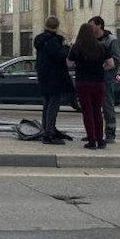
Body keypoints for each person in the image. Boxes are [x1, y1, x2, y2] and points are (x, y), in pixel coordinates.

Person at [34, 16, 74, 145]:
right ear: (57, 26)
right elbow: (59, 56)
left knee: (47, 103)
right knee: (53, 104)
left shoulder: (40, 40)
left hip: (43, 76)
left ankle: (47, 128)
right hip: (54, 77)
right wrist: (67, 48)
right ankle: (49, 133)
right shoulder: (54, 40)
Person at [68, 23, 109, 149]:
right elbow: (111, 64)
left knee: (87, 112)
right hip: (99, 82)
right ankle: (100, 140)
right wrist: (101, 70)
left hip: (83, 82)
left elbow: (69, 64)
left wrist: (79, 66)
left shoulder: (76, 47)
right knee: (97, 111)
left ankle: (91, 140)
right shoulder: (101, 47)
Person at [89, 16, 120, 143]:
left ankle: (110, 132)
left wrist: (103, 68)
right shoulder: (91, 40)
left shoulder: (111, 40)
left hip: (105, 77)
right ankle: (93, 132)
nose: (90, 28)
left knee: (107, 104)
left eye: (92, 25)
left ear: (99, 26)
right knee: (92, 105)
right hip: (92, 77)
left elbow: (117, 59)